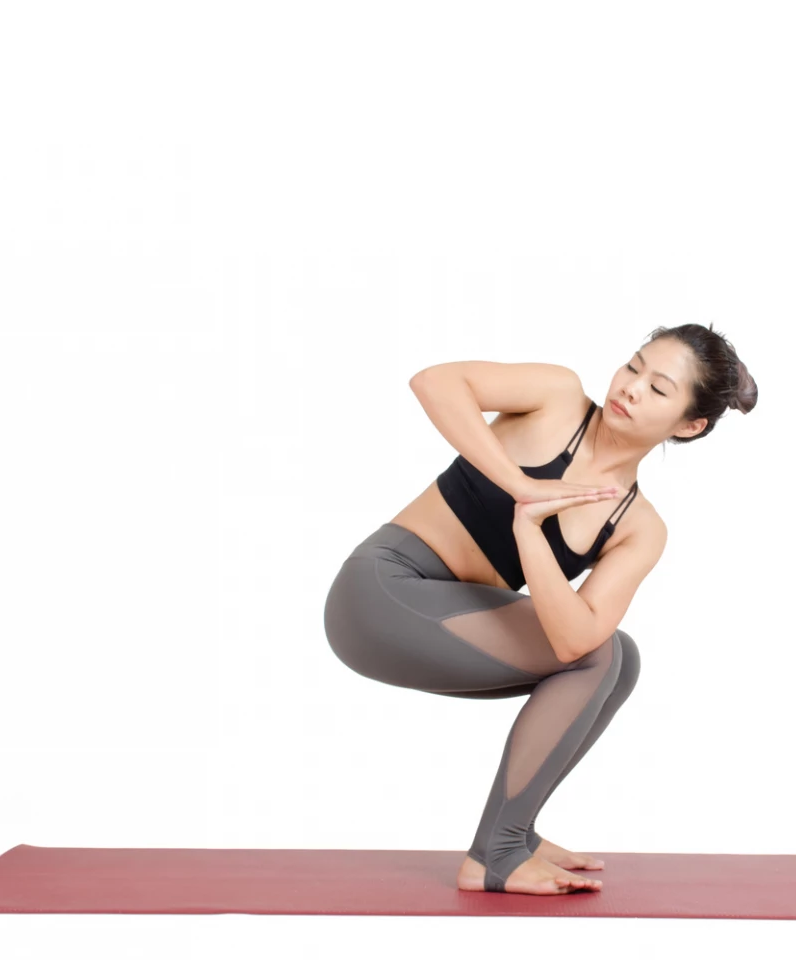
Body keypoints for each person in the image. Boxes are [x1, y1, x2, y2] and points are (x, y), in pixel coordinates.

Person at [323, 322, 758, 895]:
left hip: (450, 617)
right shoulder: (556, 398)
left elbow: (576, 639)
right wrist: (520, 485)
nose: (629, 389)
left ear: (690, 425)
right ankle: (496, 854)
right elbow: (434, 383)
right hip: (379, 594)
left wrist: (530, 533)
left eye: (658, 389)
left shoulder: (636, 526)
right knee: (598, 656)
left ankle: (514, 832)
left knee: (618, 657)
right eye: (632, 366)